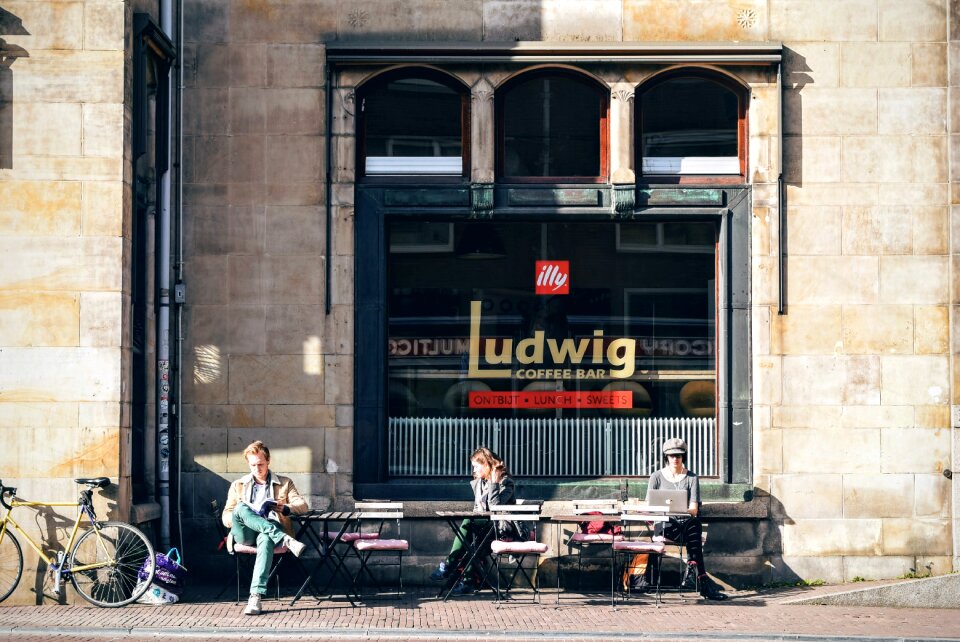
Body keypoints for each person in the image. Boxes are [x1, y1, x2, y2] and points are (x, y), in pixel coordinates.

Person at [222, 440, 309, 615]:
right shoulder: (238, 485)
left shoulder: (284, 483)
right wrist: (244, 516)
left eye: (260, 464)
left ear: (268, 461)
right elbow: (226, 516)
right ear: (248, 464)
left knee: (266, 535)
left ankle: (255, 597)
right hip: (245, 532)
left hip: (269, 529)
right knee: (240, 508)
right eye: (253, 465)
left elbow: (303, 505)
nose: (257, 468)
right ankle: (285, 539)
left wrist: (286, 508)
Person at [430, 447, 520, 595]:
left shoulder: (506, 483)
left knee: (468, 524)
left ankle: (449, 565)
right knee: (472, 541)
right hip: (483, 528)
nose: (474, 470)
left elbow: (495, 508)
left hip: (501, 528)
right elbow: (477, 509)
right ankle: (467, 581)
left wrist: (494, 482)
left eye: (476, 466)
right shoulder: (479, 483)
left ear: (487, 465)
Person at [646, 437, 728, 601]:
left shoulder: (691, 478)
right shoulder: (656, 477)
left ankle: (692, 568)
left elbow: (694, 509)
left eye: (679, 455)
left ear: (684, 457)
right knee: (694, 535)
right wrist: (669, 510)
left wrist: (680, 510)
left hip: (686, 524)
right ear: (666, 457)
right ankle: (702, 580)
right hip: (665, 524)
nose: (675, 459)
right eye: (671, 455)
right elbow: (650, 506)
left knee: (694, 524)